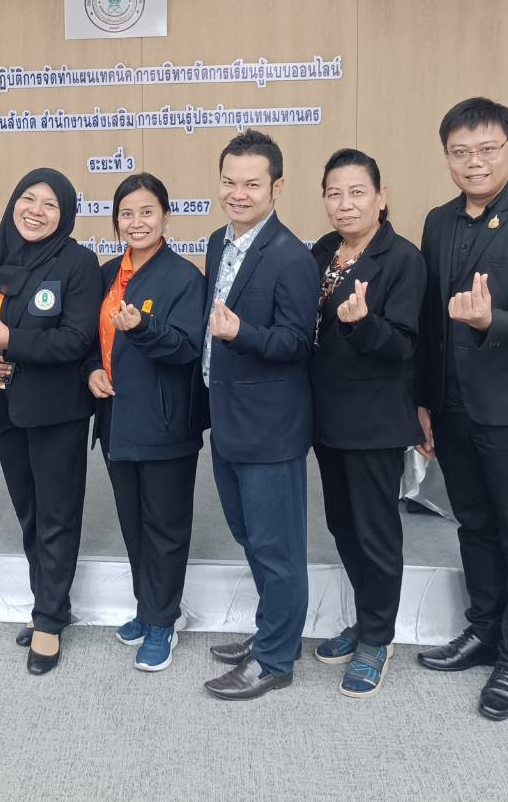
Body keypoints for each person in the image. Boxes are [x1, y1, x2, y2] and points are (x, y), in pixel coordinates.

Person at [413, 97, 508, 720]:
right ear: (446, 156)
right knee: (474, 525)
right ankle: (484, 630)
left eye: (486, 149)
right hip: (452, 408)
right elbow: (429, 322)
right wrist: (423, 400)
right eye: (461, 152)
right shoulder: (438, 221)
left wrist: (488, 321)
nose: (474, 162)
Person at [200, 130, 320, 701]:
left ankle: (275, 660)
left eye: (252, 184)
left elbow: (297, 342)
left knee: (277, 549)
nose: (238, 193)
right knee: (249, 536)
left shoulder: (292, 256)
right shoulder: (217, 243)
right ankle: (276, 631)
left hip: (271, 427)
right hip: (227, 418)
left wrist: (241, 333)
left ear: (276, 186)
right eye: (229, 182)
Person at [307, 148, 427, 698]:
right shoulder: (322, 251)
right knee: (343, 525)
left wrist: (363, 324)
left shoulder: (402, 259)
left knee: (376, 533)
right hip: (326, 416)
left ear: (381, 197)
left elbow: (403, 346)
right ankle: (367, 619)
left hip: (374, 420)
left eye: (357, 192)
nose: (345, 204)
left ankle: (378, 638)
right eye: (334, 193)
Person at [0, 168, 98, 675]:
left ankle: (48, 620)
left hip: (57, 411)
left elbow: (76, 339)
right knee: (29, 513)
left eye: (50, 205)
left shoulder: (78, 263)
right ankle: (48, 601)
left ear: (64, 215)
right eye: (28, 199)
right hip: (5, 407)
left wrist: (11, 343)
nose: (36, 211)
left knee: (57, 515)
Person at [84, 172, 205, 673]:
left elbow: (188, 350)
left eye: (147, 212)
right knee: (133, 522)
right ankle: (150, 606)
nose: (137, 222)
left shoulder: (184, 277)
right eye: (126, 214)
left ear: (166, 217)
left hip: (164, 421)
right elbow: (90, 338)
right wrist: (92, 369)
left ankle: (162, 622)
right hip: (116, 418)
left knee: (165, 527)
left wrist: (143, 327)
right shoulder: (108, 273)